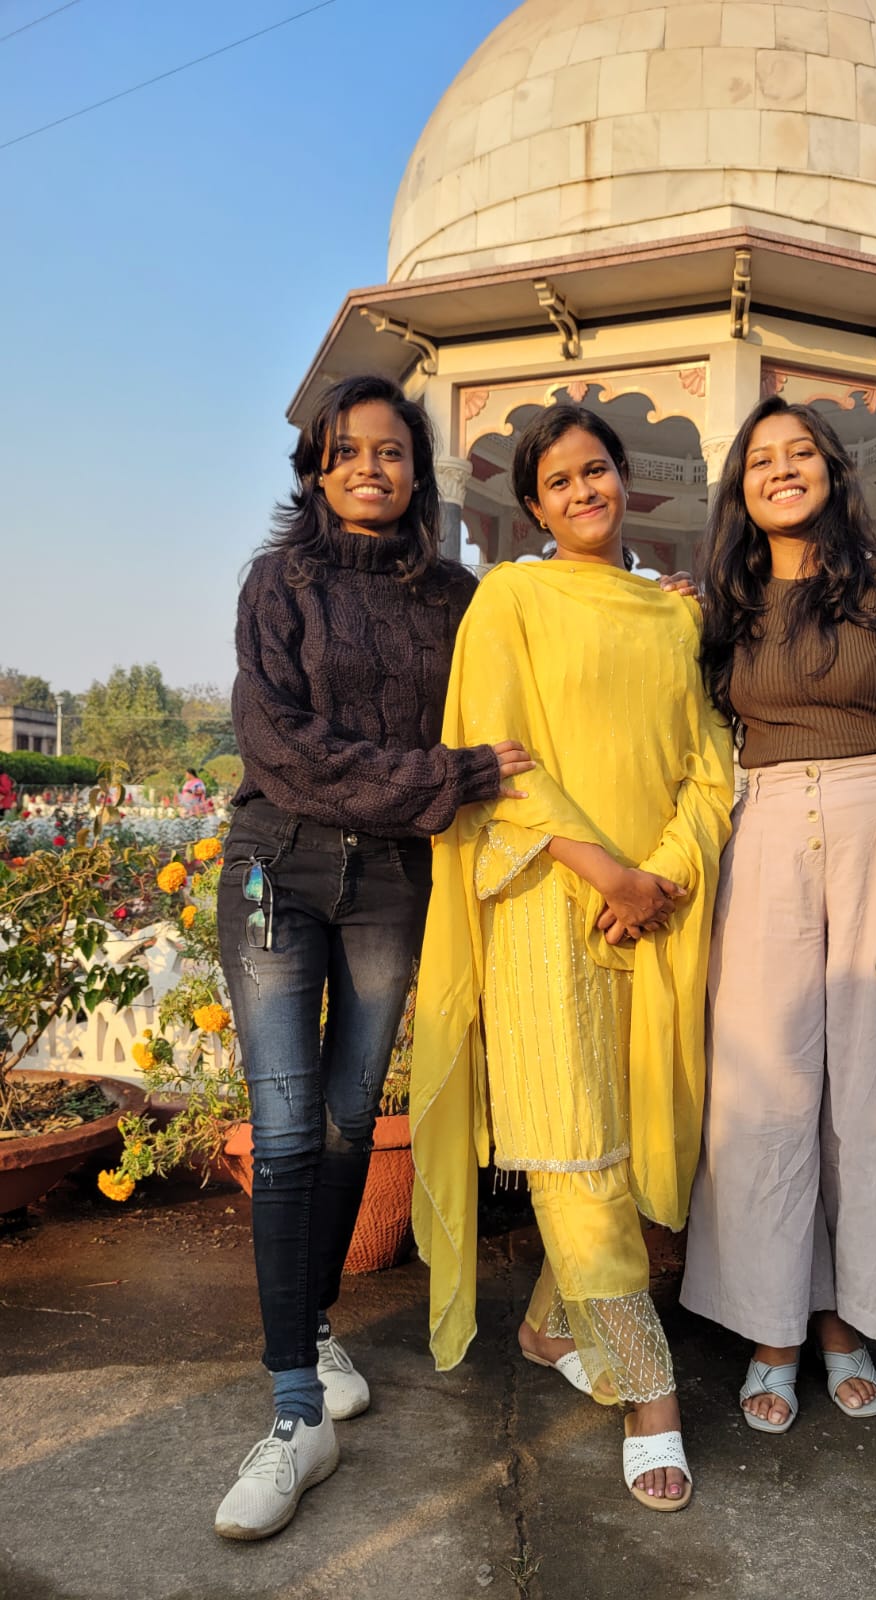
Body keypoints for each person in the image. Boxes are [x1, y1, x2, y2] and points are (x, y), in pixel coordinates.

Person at [211, 374, 535, 1540]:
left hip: (394, 883)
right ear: (315, 468)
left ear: (417, 471)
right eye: (345, 451)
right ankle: (295, 1412)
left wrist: (670, 615)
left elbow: (537, 660)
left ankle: (312, 1325)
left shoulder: (457, 597)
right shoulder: (279, 583)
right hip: (275, 868)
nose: (368, 468)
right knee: (288, 1125)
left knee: (353, 1116)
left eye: (390, 451)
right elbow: (282, 749)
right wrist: (446, 778)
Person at [411, 403, 733, 1512]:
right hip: (550, 906)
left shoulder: (673, 615)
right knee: (576, 1148)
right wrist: (609, 875)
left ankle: (552, 1327)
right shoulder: (509, 598)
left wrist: (665, 873)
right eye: (559, 481)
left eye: (597, 470)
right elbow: (499, 762)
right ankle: (651, 1394)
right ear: (534, 507)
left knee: (628, 1144)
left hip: (659, 912)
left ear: (624, 480)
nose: (584, 491)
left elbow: (710, 766)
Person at [679, 395, 876, 1434]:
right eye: (761, 459)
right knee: (765, 1087)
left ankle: (851, 1319)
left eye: (800, 452)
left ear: (834, 471)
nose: (781, 470)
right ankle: (773, 1328)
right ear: (742, 490)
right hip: (762, 836)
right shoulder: (726, 607)